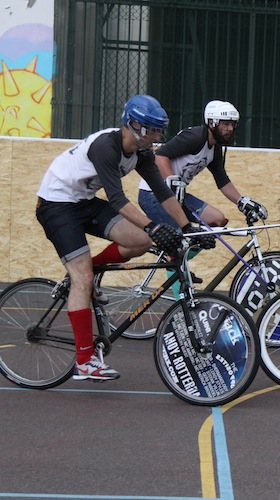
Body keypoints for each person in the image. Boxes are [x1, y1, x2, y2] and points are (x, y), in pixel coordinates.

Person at [36, 94, 215, 382]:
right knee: (82, 279)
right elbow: (118, 200)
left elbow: (162, 191)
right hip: (56, 205)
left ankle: (89, 271)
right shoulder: (106, 146)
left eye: (159, 130)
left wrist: (187, 226)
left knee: (140, 242)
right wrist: (153, 226)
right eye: (152, 130)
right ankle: (84, 361)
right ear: (133, 124)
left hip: (82, 201)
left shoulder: (142, 152)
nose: (157, 136)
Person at [137, 100, 268, 231]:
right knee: (179, 240)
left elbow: (222, 180)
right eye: (226, 124)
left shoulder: (215, 148)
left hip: (177, 195)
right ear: (212, 122)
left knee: (217, 220)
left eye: (233, 124)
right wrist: (173, 181)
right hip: (153, 194)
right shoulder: (195, 137)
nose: (230, 129)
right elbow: (159, 157)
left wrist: (242, 202)